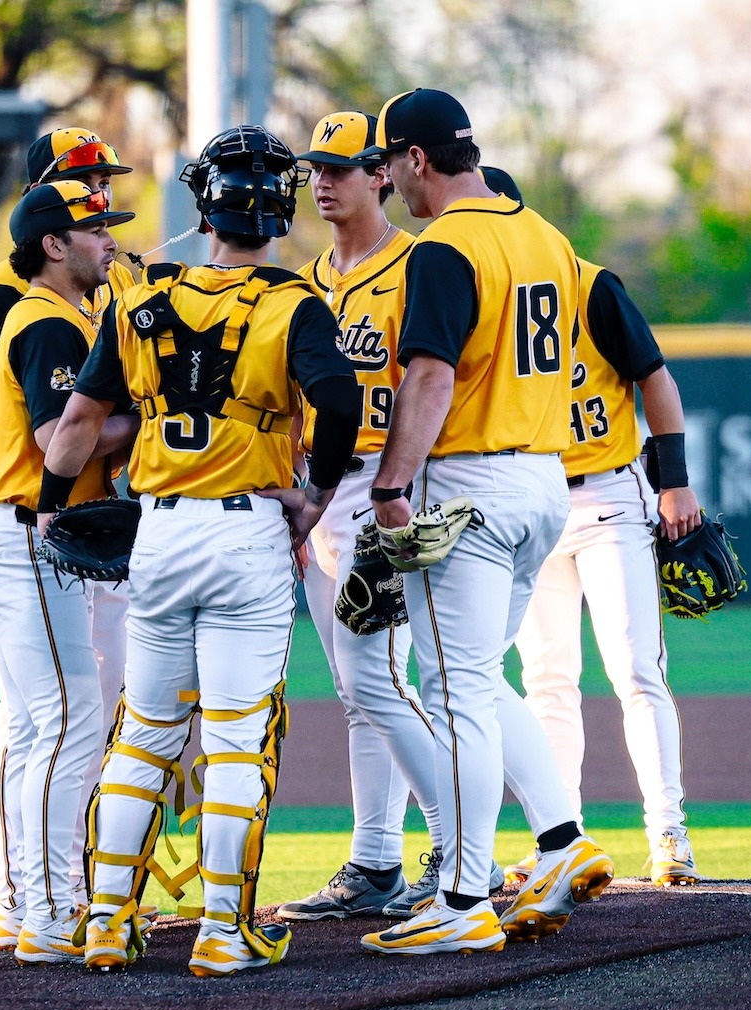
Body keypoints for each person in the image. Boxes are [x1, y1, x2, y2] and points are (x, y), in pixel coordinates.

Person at [38, 125, 360, 976]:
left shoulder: (140, 303)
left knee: (143, 734)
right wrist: (316, 496)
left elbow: (74, 429)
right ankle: (224, 930)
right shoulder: (296, 302)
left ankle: (107, 920)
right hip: (247, 527)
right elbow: (338, 401)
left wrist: (46, 504)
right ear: (282, 208)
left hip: (163, 529)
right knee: (237, 737)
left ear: (203, 204)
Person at [359, 89, 611, 956]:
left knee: (456, 689)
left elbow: (430, 378)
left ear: (418, 160)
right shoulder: (544, 234)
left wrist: (391, 485)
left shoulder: (446, 246)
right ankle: (561, 845)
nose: (387, 180)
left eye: (389, 164)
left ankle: (463, 899)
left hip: (467, 477)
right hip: (545, 481)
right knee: (474, 678)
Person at [278, 111, 493, 922]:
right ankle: (375, 860)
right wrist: (304, 498)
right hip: (320, 491)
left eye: (342, 167)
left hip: (383, 488)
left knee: (382, 682)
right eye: (315, 169)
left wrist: (396, 493)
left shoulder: (416, 266)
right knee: (358, 689)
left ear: (383, 174)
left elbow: (431, 383)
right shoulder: (304, 281)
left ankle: (459, 844)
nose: (323, 182)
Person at [0, 180, 139, 963]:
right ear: (52, 245)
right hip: (25, 528)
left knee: (45, 725)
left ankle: (38, 906)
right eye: (91, 227)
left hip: (16, 531)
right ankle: (51, 909)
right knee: (67, 723)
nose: (107, 238)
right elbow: (55, 438)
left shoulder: (65, 318)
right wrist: (148, 418)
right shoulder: (44, 323)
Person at [513, 250, 706, 887]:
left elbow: (656, 377)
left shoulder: (588, 284)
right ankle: (561, 841)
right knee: (545, 679)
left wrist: (673, 481)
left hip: (608, 496)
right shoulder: (480, 286)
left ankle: (669, 833)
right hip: (530, 497)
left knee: (636, 670)